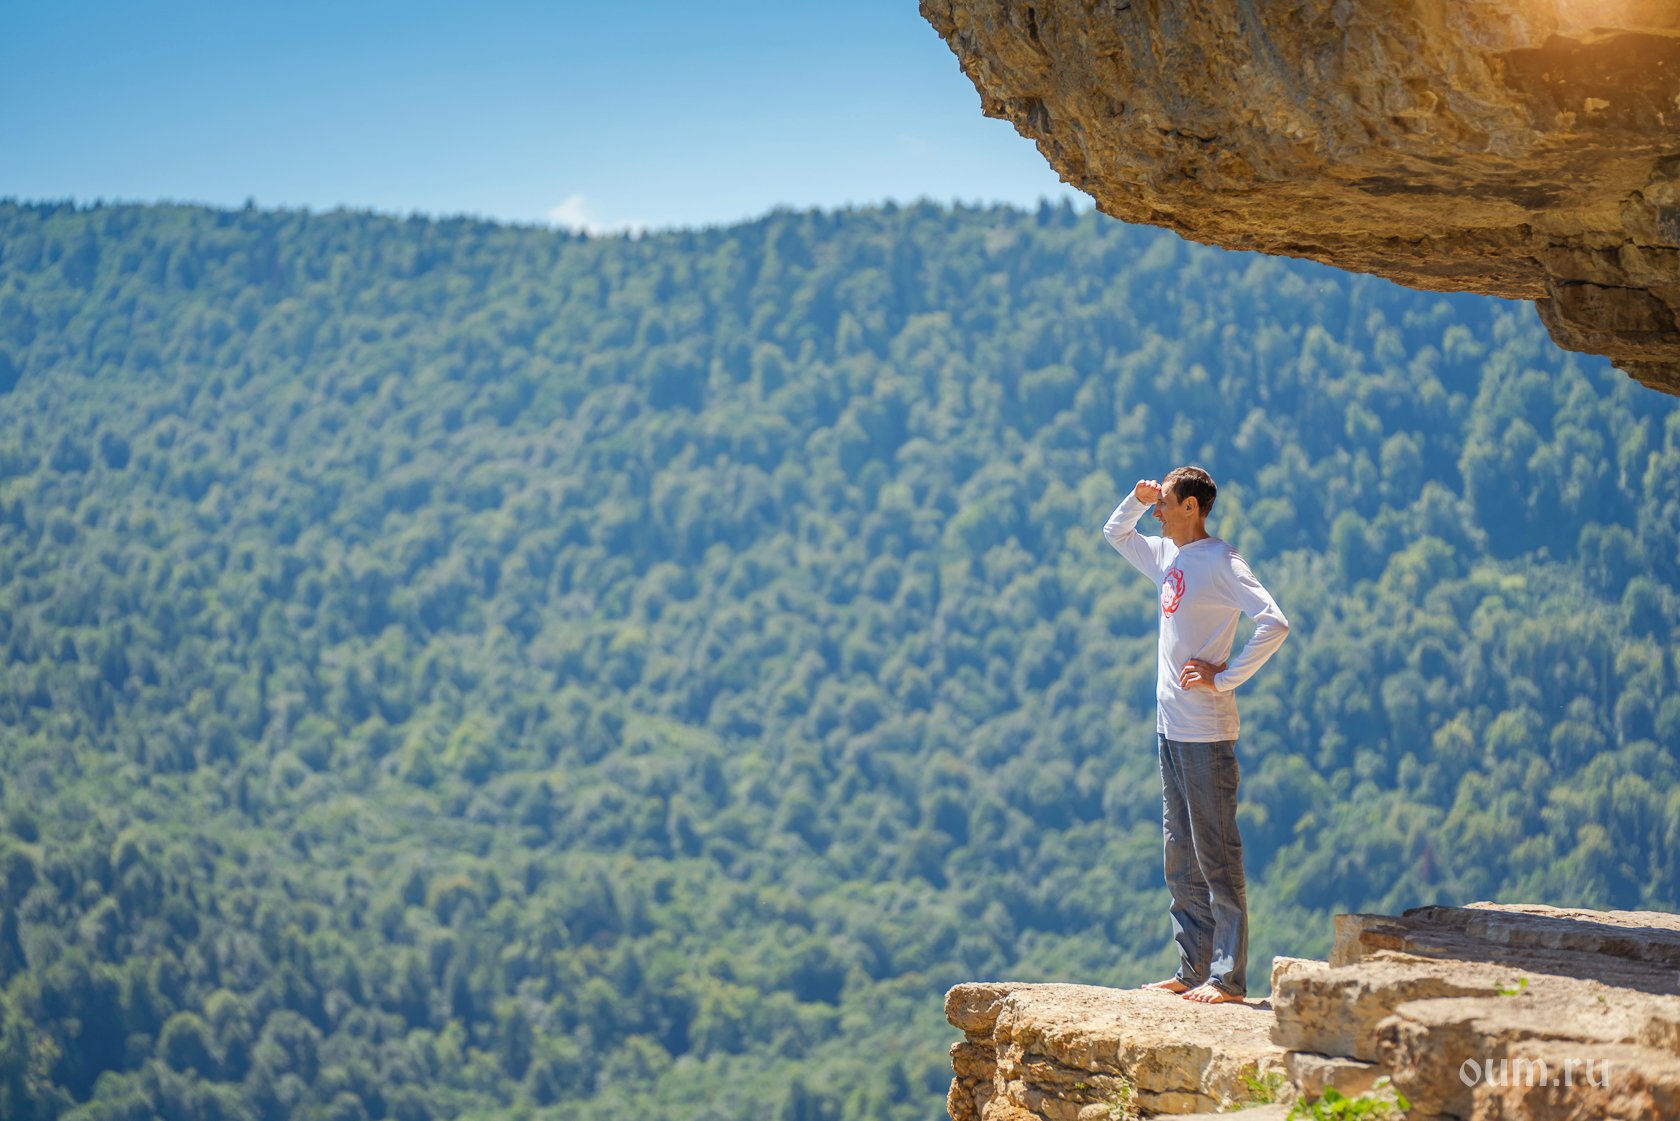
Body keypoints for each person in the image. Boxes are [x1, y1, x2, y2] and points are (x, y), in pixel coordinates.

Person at [1102, 466, 1290, 1004]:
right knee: (1179, 853)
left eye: (1165, 501)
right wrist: (1136, 501)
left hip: (1205, 732)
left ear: (1192, 507)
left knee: (1216, 854)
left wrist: (1225, 678)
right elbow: (1115, 533)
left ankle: (1227, 979)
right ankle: (1194, 969)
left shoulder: (1223, 562)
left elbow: (1273, 622)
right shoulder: (1166, 555)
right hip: (1169, 727)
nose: (1157, 509)